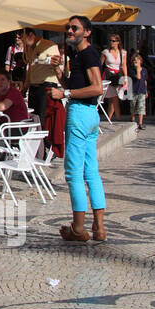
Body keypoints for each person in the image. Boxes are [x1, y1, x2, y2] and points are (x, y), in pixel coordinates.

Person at [51, 15, 106, 243]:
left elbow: (97, 88)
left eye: (75, 28)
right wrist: (59, 74)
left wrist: (65, 94)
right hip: (89, 115)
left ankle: (78, 228)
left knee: (74, 173)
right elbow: (75, 84)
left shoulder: (89, 53)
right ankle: (99, 228)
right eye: (68, 27)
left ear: (87, 32)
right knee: (91, 171)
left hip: (81, 113)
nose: (70, 31)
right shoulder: (77, 55)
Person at [21, 28, 62, 125]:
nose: (24, 44)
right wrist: (25, 87)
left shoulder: (49, 46)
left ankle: (46, 139)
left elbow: (59, 65)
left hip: (46, 86)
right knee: (33, 118)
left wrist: (44, 61)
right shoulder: (29, 48)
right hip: (34, 87)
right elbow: (31, 68)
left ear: (31, 35)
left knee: (44, 119)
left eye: (24, 40)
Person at [101, 34, 127, 122]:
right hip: (108, 75)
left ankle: (109, 118)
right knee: (114, 97)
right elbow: (100, 65)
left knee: (112, 99)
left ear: (118, 42)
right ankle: (119, 118)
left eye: (113, 41)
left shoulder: (123, 52)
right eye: (110, 40)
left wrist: (126, 78)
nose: (111, 42)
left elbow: (124, 65)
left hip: (118, 75)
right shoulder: (105, 52)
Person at [127, 51, 151, 131]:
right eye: (134, 61)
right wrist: (137, 69)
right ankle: (133, 119)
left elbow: (144, 80)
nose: (135, 62)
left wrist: (146, 91)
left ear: (140, 61)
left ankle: (140, 122)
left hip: (142, 90)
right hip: (134, 90)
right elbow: (138, 77)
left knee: (141, 107)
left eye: (137, 60)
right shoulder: (132, 70)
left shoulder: (144, 70)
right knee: (133, 106)